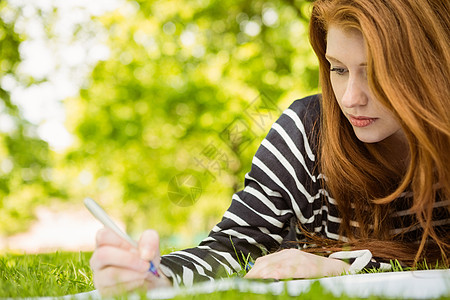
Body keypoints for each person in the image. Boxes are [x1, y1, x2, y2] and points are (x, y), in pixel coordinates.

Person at [89, 0, 450, 295]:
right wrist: (158, 276)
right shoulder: (304, 132)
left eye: (373, 72)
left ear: (427, 63)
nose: (351, 98)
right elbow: (232, 246)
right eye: (338, 70)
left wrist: (344, 266)